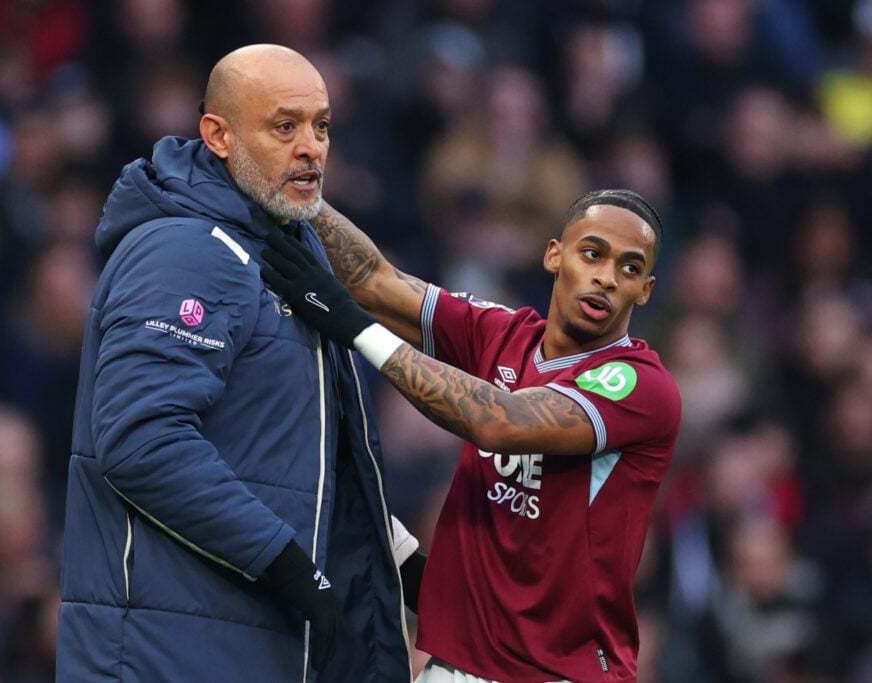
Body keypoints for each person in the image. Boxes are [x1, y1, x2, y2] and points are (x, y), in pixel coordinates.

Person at [54, 44, 415, 682]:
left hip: (233, 649)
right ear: (218, 135)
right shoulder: (187, 249)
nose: (312, 148)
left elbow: (294, 459)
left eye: (322, 125)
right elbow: (142, 439)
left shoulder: (278, 248)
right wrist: (283, 562)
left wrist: (403, 564)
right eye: (285, 126)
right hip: (160, 658)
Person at [261, 188, 682, 683]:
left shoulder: (639, 383)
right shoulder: (501, 334)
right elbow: (373, 281)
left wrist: (357, 329)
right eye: (593, 253)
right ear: (554, 255)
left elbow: (500, 421)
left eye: (630, 269)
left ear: (646, 289)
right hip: (456, 665)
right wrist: (291, 188)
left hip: (558, 673)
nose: (607, 278)